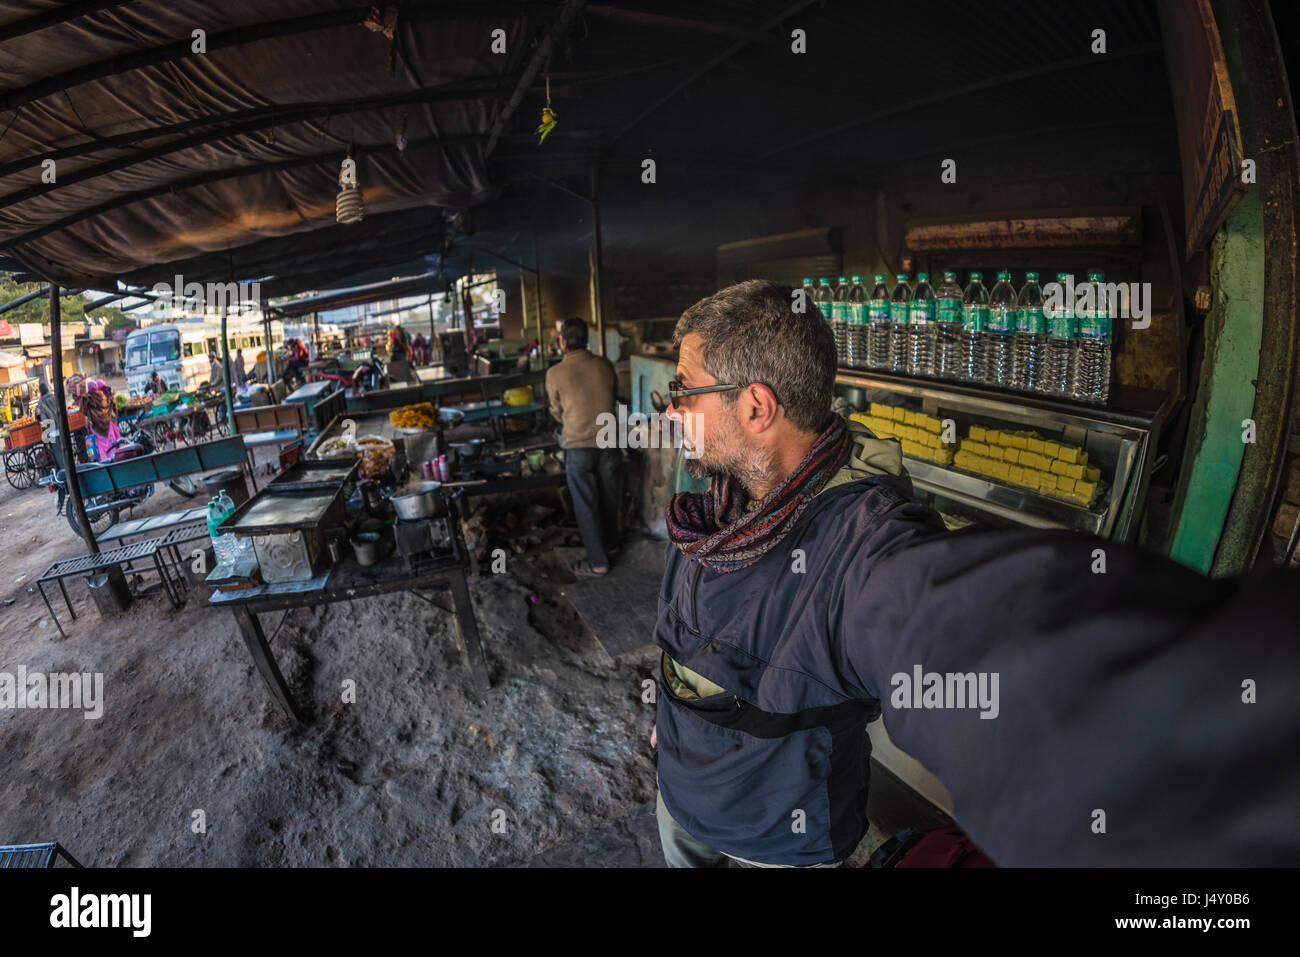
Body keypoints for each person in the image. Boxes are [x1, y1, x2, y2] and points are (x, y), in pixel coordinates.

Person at [651, 279, 1299, 868]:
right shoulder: (718, 497)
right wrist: (674, 725)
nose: (669, 408)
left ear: (757, 407)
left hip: (776, 840)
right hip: (678, 791)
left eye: (682, 390)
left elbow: (972, 636)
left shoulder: (867, 550)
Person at [546, 317, 619, 575]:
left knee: (586, 504)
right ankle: (611, 547)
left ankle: (598, 563)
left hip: (578, 447)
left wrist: (568, 416)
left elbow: (557, 411)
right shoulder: (604, 365)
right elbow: (613, 397)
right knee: (610, 498)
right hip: (609, 442)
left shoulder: (554, 373)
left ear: (563, 342)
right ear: (586, 340)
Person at [81, 378, 120, 460]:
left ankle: (105, 460)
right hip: (107, 423)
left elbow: (83, 411)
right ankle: (115, 457)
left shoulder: (87, 398)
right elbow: (108, 406)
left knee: (100, 444)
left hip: (95, 426)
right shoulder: (102, 396)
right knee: (110, 441)